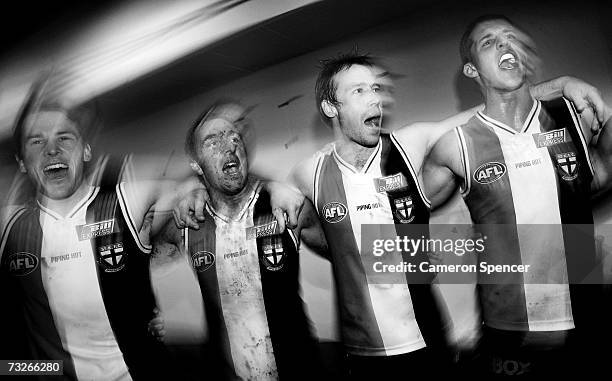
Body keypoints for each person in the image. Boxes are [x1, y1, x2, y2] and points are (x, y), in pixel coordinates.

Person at [283, 49, 608, 379]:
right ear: (330, 106)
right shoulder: (308, 174)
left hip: (428, 342)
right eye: (359, 91)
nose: (375, 100)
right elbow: (315, 234)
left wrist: (563, 84)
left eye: (376, 89)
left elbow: (489, 113)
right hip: (362, 352)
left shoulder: (410, 144)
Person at [422, 15, 612, 377]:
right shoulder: (455, 146)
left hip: (587, 319)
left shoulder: (570, 116)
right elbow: (403, 212)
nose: (505, 44)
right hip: (511, 333)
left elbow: (598, 178)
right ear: (471, 69)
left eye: (511, 37)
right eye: (489, 41)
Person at [0, 82, 180, 380]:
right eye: (36, 142)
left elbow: (203, 188)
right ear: (21, 163)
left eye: (64, 137)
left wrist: (275, 190)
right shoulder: (10, 227)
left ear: (85, 151)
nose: (52, 150)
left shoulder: (128, 201)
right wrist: (29, 369)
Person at [153, 100, 327, 381]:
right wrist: (144, 315)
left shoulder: (285, 205)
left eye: (234, 137)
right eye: (213, 140)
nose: (229, 144)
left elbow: (346, 253)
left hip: (300, 368)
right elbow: (136, 258)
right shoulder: (186, 222)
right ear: (195, 164)